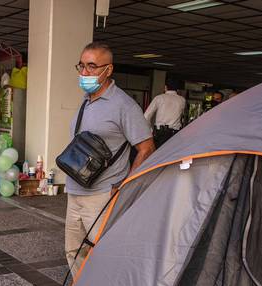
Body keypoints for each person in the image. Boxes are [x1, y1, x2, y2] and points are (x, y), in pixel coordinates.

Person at [65, 42, 155, 272]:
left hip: (102, 195)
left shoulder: (124, 105)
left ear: (109, 70)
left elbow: (146, 148)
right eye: (82, 66)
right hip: (75, 190)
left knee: (103, 253)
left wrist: (125, 187)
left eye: (92, 66)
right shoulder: (86, 101)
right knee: (74, 252)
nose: (85, 73)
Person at [144, 82, 186, 148]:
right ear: (177, 90)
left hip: (161, 134)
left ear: (165, 87)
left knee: (159, 156)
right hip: (176, 134)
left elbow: (146, 116)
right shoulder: (182, 100)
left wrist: (150, 131)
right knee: (173, 156)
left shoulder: (159, 98)